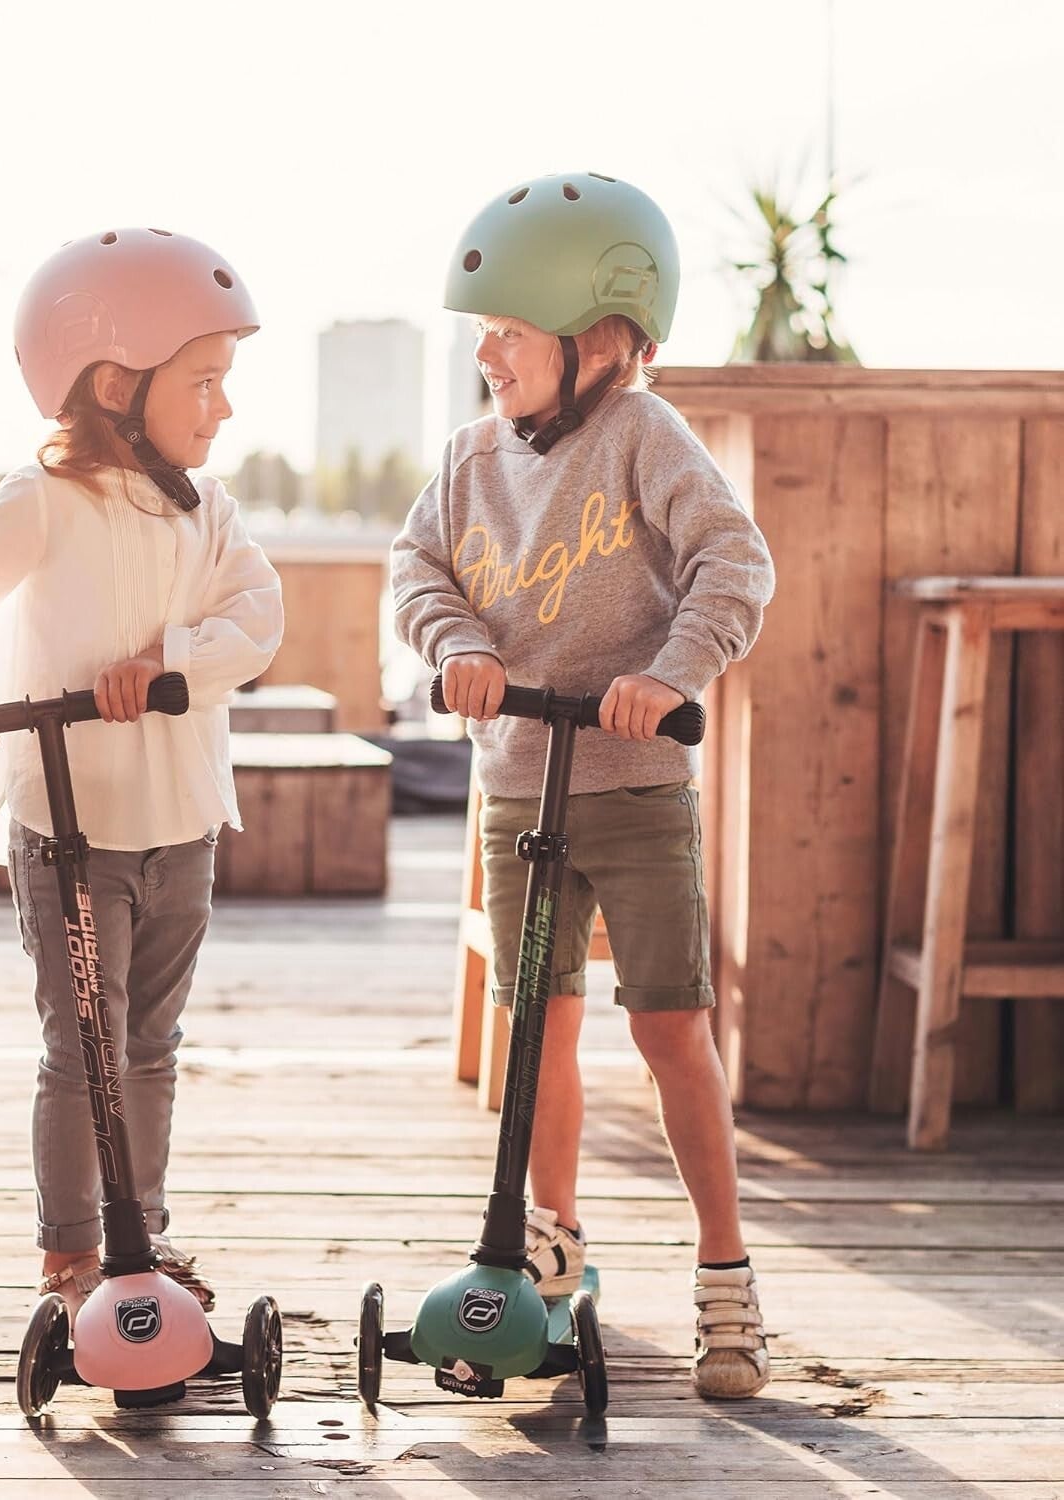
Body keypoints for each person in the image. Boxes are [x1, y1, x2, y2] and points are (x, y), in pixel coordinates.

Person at [391, 173, 776, 1398]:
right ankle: (545, 1245)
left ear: (591, 328)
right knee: (537, 1026)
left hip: (637, 787)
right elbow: (414, 569)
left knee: (670, 1026)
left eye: (506, 328)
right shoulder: (466, 462)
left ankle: (726, 1277)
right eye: (482, 333)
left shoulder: (642, 437)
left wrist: (669, 676)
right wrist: (456, 646)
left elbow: (734, 559)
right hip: (520, 785)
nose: (487, 355)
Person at [0, 228, 284, 1319]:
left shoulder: (209, 508)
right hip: (68, 827)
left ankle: (137, 1231)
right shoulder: (45, 499)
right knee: (81, 1043)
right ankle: (70, 1252)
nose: (223, 409)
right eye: (205, 382)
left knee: (151, 1042)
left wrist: (170, 663)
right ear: (116, 382)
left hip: (181, 820)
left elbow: (259, 613)